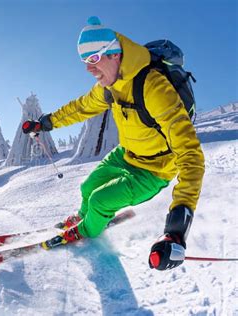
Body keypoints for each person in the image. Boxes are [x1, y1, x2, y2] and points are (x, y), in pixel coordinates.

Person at [22, 16, 205, 271]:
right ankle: (87, 219)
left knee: (99, 200)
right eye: (85, 62)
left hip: (154, 169)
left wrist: (176, 229)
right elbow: (81, 107)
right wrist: (46, 123)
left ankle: (86, 230)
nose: (89, 68)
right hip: (126, 154)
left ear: (115, 54)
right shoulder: (109, 85)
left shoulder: (154, 87)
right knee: (88, 188)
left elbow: (191, 155)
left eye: (94, 59)